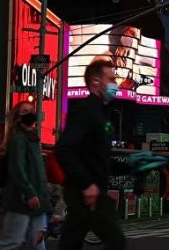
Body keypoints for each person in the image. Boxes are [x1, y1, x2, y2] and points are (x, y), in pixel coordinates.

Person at [55, 60, 125, 250]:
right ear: (95, 82)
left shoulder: (102, 113)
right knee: (116, 242)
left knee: (70, 243)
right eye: (111, 79)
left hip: (90, 192)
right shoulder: (86, 110)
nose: (115, 84)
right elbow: (64, 149)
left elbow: (98, 155)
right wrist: (87, 184)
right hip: (85, 192)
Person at [0, 102, 50, 250]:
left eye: (31, 110)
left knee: (37, 242)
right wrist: (29, 193)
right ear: (18, 118)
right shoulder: (20, 139)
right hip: (22, 200)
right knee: (12, 240)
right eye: (24, 111)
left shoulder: (33, 140)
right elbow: (17, 169)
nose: (29, 113)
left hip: (36, 200)